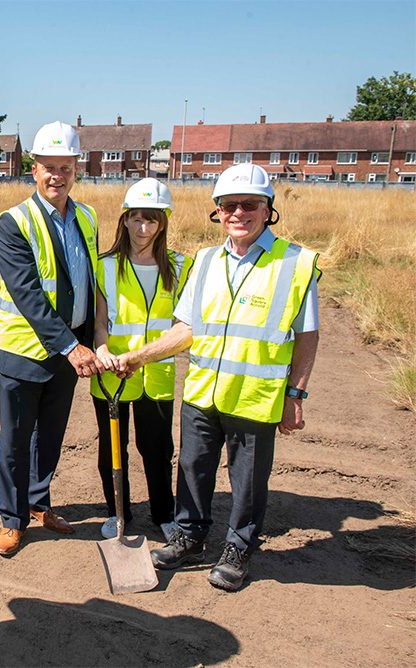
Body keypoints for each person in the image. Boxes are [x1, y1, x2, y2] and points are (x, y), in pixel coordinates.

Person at [117, 164, 320, 591]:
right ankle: (189, 537)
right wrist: (139, 356)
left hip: (255, 395)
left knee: (246, 478)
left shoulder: (296, 263)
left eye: (250, 205)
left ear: (268, 210)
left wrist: (295, 394)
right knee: (191, 467)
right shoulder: (206, 261)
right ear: (217, 211)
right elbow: (187, 328)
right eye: (230, 205)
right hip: (202, 391)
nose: (239, 213)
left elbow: (307, 335)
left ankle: (239, 547)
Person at [0, 121, 102, 557]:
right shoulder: (13, 223)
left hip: (69, 351)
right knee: (16, 441)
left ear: (77, 169)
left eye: (66, 167)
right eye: (48, 167)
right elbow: (29, 295)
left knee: (50, 436)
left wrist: (94, 338)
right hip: (25, 352)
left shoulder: (87, 217)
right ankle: (12, 520)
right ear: (33, 170)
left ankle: (40, 505)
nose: (57, 175)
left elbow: (92, 282)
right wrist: (72, 348)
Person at [91, 179, 191, 541]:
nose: (143, 228)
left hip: (158, 375)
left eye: (151, 221)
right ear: (124, 220)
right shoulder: (105, 266)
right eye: (136, 219)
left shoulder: (182, 267)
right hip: (112, 374)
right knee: (112, 449)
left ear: (163, 223)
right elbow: (100, 321)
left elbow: (184, 325)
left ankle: (165, 514)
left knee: (158, 448)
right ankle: (118, 513)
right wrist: (102, 350)